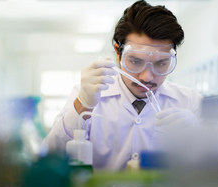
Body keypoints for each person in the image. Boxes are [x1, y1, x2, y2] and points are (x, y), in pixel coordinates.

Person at [43, 0, 202, 171]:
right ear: (118, 53)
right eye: (135, 61)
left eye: (161, 63)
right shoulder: (86, 95)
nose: (146, 77)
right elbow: (50, 157)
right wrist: (83, 104)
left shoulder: (190, 102)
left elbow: (215, 175)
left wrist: (200, 138)